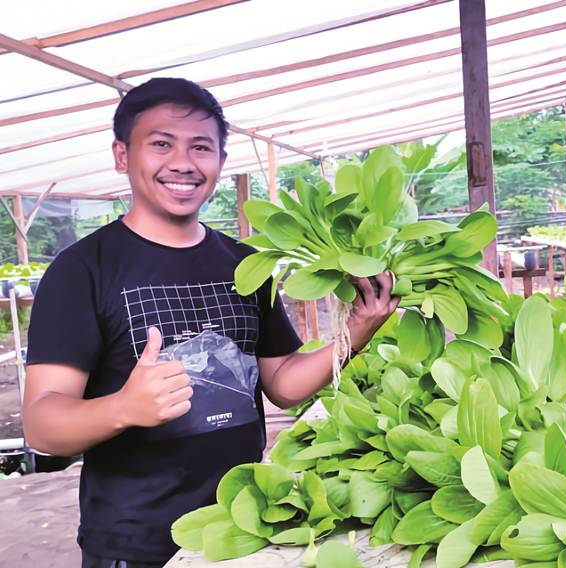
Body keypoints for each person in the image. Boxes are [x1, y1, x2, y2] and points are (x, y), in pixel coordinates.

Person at [22, 77, 399, 568]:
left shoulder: (246, 264)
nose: (183, 162)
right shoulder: (82, 271)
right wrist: (124, 407)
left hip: (246, 528)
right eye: (161, 144)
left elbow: (283, 383)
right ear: (122, 156)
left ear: (220, 162)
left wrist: (357, 332)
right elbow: (42, 425)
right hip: (135, 546)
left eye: (201, 147)